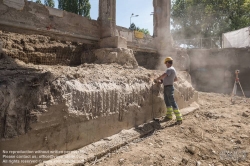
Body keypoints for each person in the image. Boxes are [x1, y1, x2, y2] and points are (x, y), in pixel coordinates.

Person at [154, 57, 183, 125]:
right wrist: (165, 81)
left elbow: (164, 75)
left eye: (165, 63)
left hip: (169, 88)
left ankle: (179, 118)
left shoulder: (169, 69)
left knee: (172, 102)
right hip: (168, 87)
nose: (165, 65)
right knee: (167, 101)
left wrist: (157, 79)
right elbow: (176, 79)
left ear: (167, 62)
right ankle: (169, 116)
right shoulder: (173, 69)